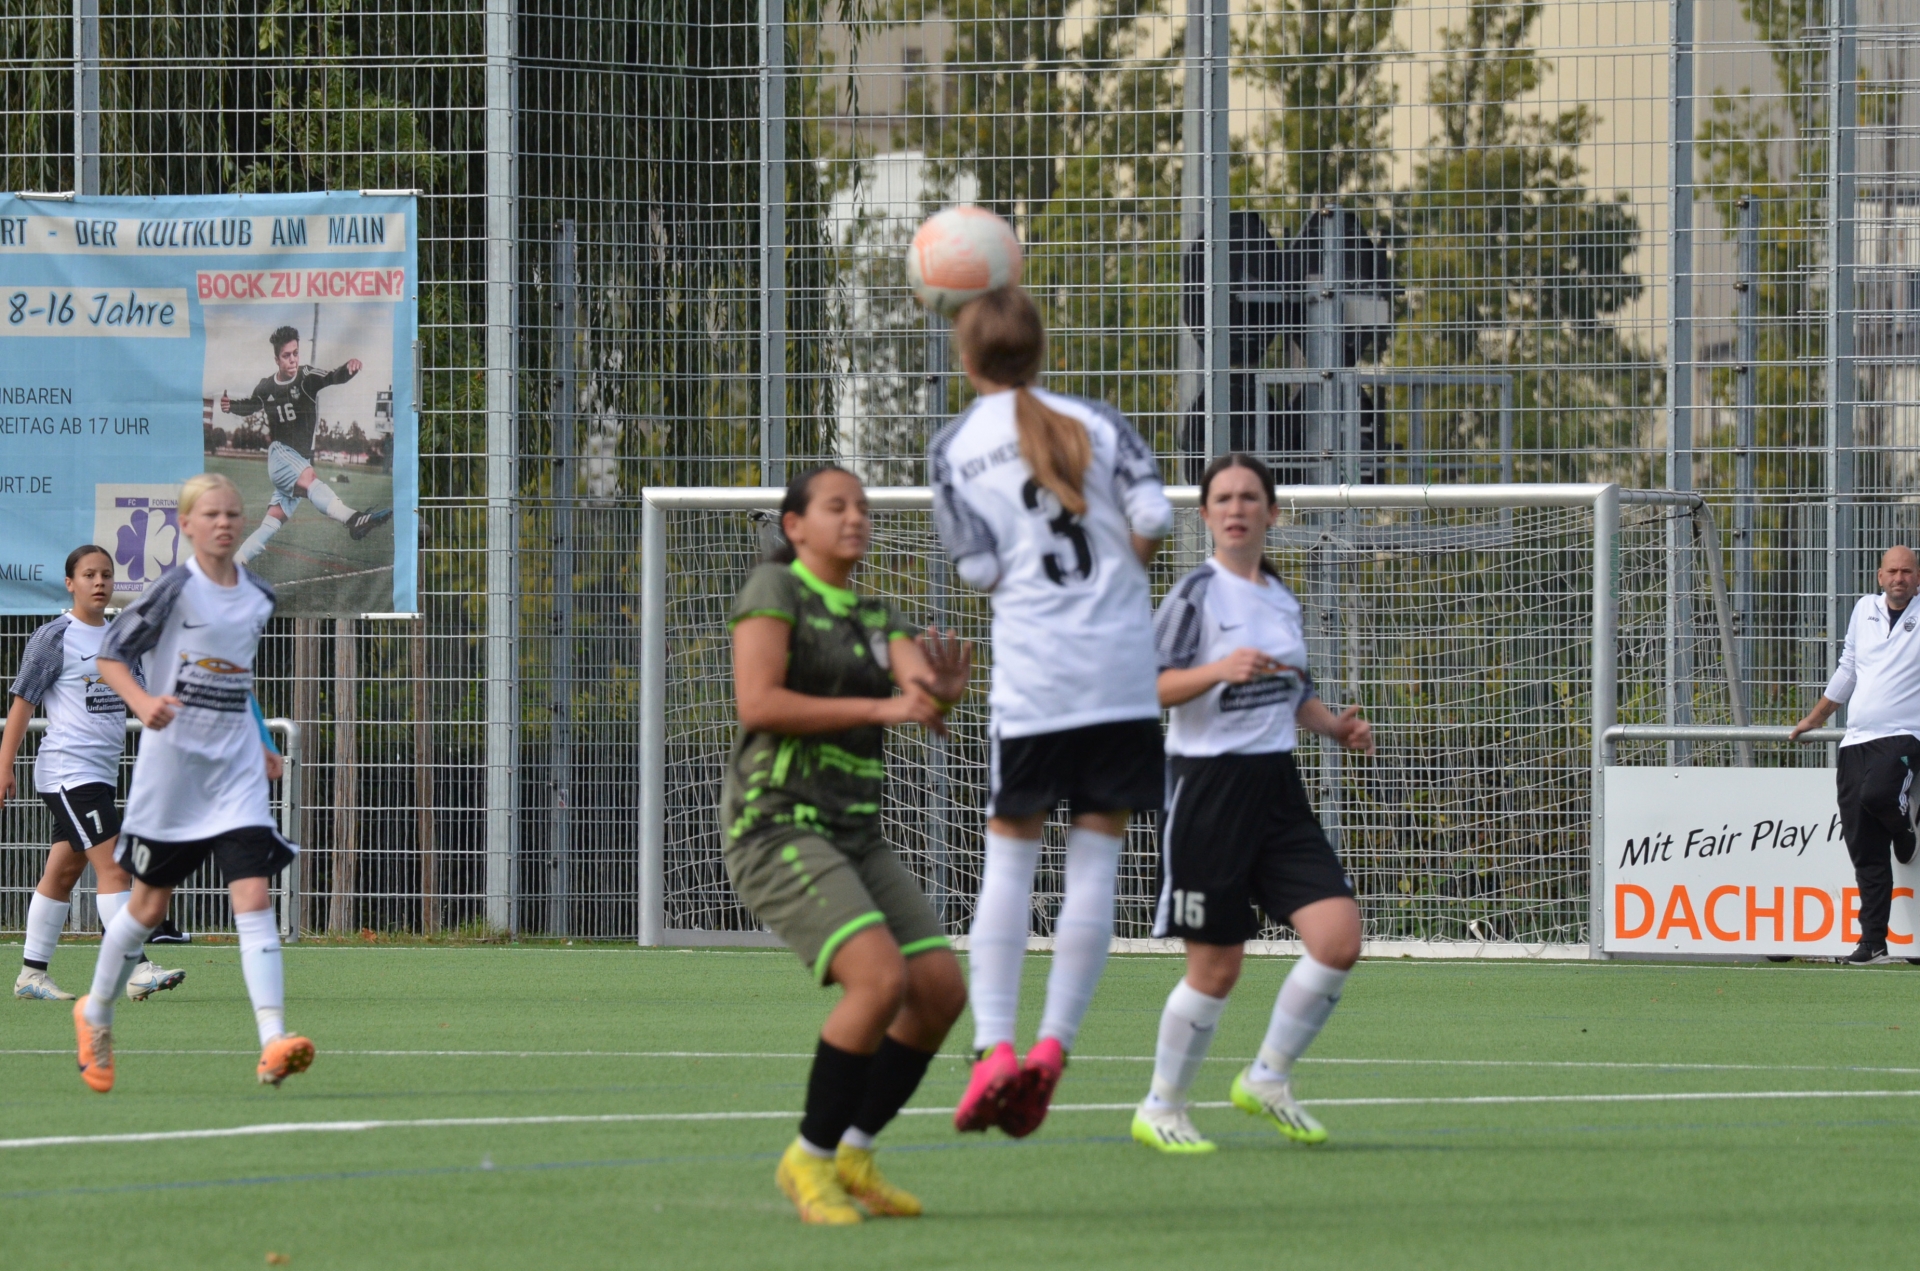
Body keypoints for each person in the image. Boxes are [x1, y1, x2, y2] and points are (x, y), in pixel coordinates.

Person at [929, 285, 1174, 1138]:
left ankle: (993, 1045)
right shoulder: (1096, 422)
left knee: (1009, 863)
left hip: (1037, 681)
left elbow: (978, 572)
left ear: (966, 359)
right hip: (1119, 676)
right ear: (1041, 350)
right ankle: (1052, 1051)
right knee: (1093, 866)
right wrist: (1119, 579)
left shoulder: (956, 447)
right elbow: (1154, 514)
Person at [725, 464, 972, 1224]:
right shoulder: (777, 590)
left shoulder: (875, 613)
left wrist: (936, 692)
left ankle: (854, 1151)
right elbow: (758, 702)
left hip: (856, 831)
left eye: (862, 506)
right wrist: (884, 707)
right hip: (778, 823)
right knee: (879, 979)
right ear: (795, 526)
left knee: (939, 991)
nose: (856, 517)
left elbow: (915, 684)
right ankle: (809, 1158)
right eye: (837, 506)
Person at [1132, 453, 1374, 1154]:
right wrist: (1216, 669)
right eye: (1223, 498)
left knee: (1338, 937)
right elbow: (1144, 686)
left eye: (1249, 497)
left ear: (1272, 512)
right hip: (1207, 791)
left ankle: (1268, 1077)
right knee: (1217, 968)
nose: (1236, 508)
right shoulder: (1195, 595)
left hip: (1277, 789)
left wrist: (1333, 726)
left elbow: (1292, 690)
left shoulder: (1279, 596)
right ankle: (1161, 1106)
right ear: (1206, 515)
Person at [75, 472, 310, 1092]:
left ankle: (273, 1040)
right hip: (173, 775)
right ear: (187, 525)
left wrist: (262, 740)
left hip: (235, 775)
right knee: (148, 907)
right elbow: (110, 655)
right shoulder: (174, 590)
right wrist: (142, 702)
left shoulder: (259, 595)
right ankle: (95, 1013)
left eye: (232, 513)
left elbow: (237, 677)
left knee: (253, 896)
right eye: (210, 514)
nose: (224, 523)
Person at [1, 546, 185, 1002]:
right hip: (69, 771)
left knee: (63, 873)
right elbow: (22, 704)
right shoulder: (53, 637)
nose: (99, 582)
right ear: (70, 583)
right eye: (88, 575)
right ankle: (136, 969)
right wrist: (4, 766)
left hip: (98, 773)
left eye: (106, 574)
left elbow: (141, 697)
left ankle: (31, 976)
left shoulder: (120, 637)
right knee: (116, 866)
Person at [1789, 544, 1920, 966]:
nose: (1899, 578)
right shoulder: (1864, 609)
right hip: (1856, 741)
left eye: (1907, 572)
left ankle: (1904, 833)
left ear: (1918, 578)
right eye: (1892, 571)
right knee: (1864, 847)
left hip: (1903, 736)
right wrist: (1815, 719)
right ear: (1880, 577)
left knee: (1878, 795)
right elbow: (1848, 668)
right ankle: (1873, 942)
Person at [219, 324, 391, 565]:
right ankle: (354, 519)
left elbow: (332, 377)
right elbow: (251, 405)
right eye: (286, 355)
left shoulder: (306, 377)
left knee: (271, 522)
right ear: (277, 359)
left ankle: (233, 566)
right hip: (281, 456)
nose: (293, 360)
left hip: (297, 463)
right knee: (310, 477)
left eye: (296, 353)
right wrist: (231, 406)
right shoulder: (266, 386)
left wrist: (348, 369)